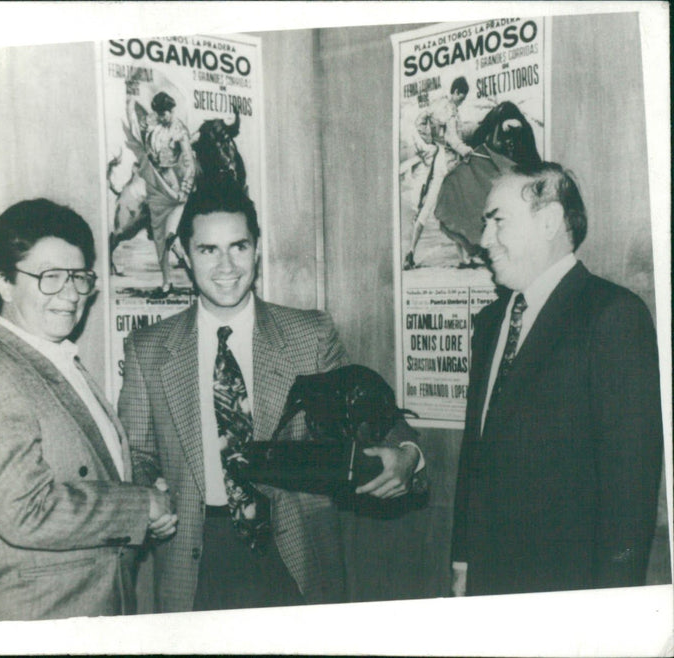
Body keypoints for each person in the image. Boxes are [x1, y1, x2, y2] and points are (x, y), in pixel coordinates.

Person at [118, 180, 426, 612]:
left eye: (238, 247)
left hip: (293, 553)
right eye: (208, 250)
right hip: (194, 557)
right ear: (184, 256)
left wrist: (407, 453)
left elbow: (374, 414)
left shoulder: (309, 334)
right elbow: (137, 453)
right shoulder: (147, 349)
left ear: (257, 250)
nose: (226, 265)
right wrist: (150, 489)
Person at [0, 199, 177, 623]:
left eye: (79, 277)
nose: (70, 295)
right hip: (32, 622)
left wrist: (147, 498)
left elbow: (97, 473)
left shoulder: (58, 360)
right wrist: (140, 505)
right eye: (50, 278)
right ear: (5, 283)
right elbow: (27, 512)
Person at [451, 163, 663, 596]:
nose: (484, 239)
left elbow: (630, 489)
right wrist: (463, 559)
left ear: (548, 221)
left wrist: (613, 608)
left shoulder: (612, 315)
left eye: (497, 222)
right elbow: (476, 455)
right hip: (488, 583)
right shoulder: (492, 322)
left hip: (570, 592)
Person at [403, 76, 474, 269]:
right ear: (457, 92)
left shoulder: (440, 105)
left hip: (443, 160)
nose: (463, 100)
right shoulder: (449, 109)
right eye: (463, 96)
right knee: (434, 206)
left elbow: (421, 120)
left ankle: (462, 259)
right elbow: (451, 137)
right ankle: (410, 254)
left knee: (452, 208)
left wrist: (431, 140)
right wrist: (464, 149)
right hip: (446, 163)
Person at [133, 90, 196, 297]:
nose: (163, 116)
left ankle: (195, 278)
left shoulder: (179, 130)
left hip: (175, 189)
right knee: (160, 238)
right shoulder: (152, 125)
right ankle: (166, 284)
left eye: (166, 112)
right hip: (155, 188)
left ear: (172, 110)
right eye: (160, 113)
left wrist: (185, 190)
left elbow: (189, 163)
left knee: (172, 235)